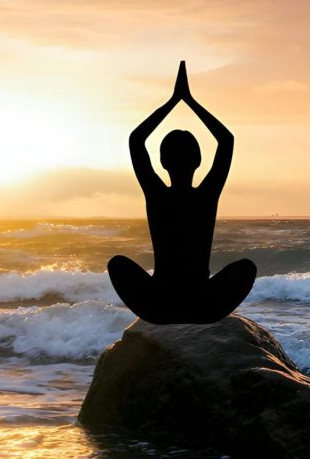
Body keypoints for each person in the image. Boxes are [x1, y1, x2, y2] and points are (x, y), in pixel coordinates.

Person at [107, 61, 257, 324]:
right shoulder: (207, 194)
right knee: (247, 268)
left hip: (159, 307)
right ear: (198, 161)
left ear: (163, 162)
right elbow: (226, 140)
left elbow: (136, 140)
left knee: (117, 263)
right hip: (202, 306)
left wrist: (173, 101)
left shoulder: (156, 193)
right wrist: (190, 101)